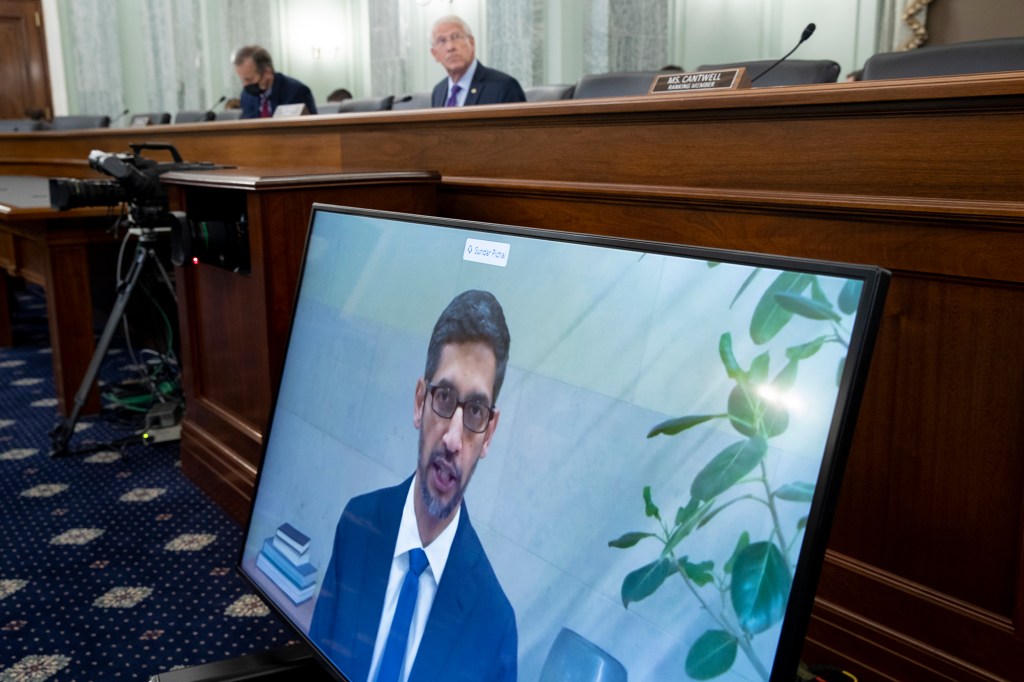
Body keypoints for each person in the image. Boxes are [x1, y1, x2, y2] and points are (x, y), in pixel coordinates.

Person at [309, 290, 517, 682]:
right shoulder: (356, 524)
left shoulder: (496, 626)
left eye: (474, 410)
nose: (453, 439)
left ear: (489, 434)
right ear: (420, 402)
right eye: (444, 398)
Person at [429, 16, 526, 108]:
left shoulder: (504, 86)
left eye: (456, 37)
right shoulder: (438, 91)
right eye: (442, 41)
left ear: (472, 43)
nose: (450, 47)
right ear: (434, 54)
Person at [233, 45, 317, 118]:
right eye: (243, 80)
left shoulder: (296, 91)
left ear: (267, 72)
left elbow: (312, 130)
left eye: (249, 79)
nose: (245, 85)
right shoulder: (246, 96)